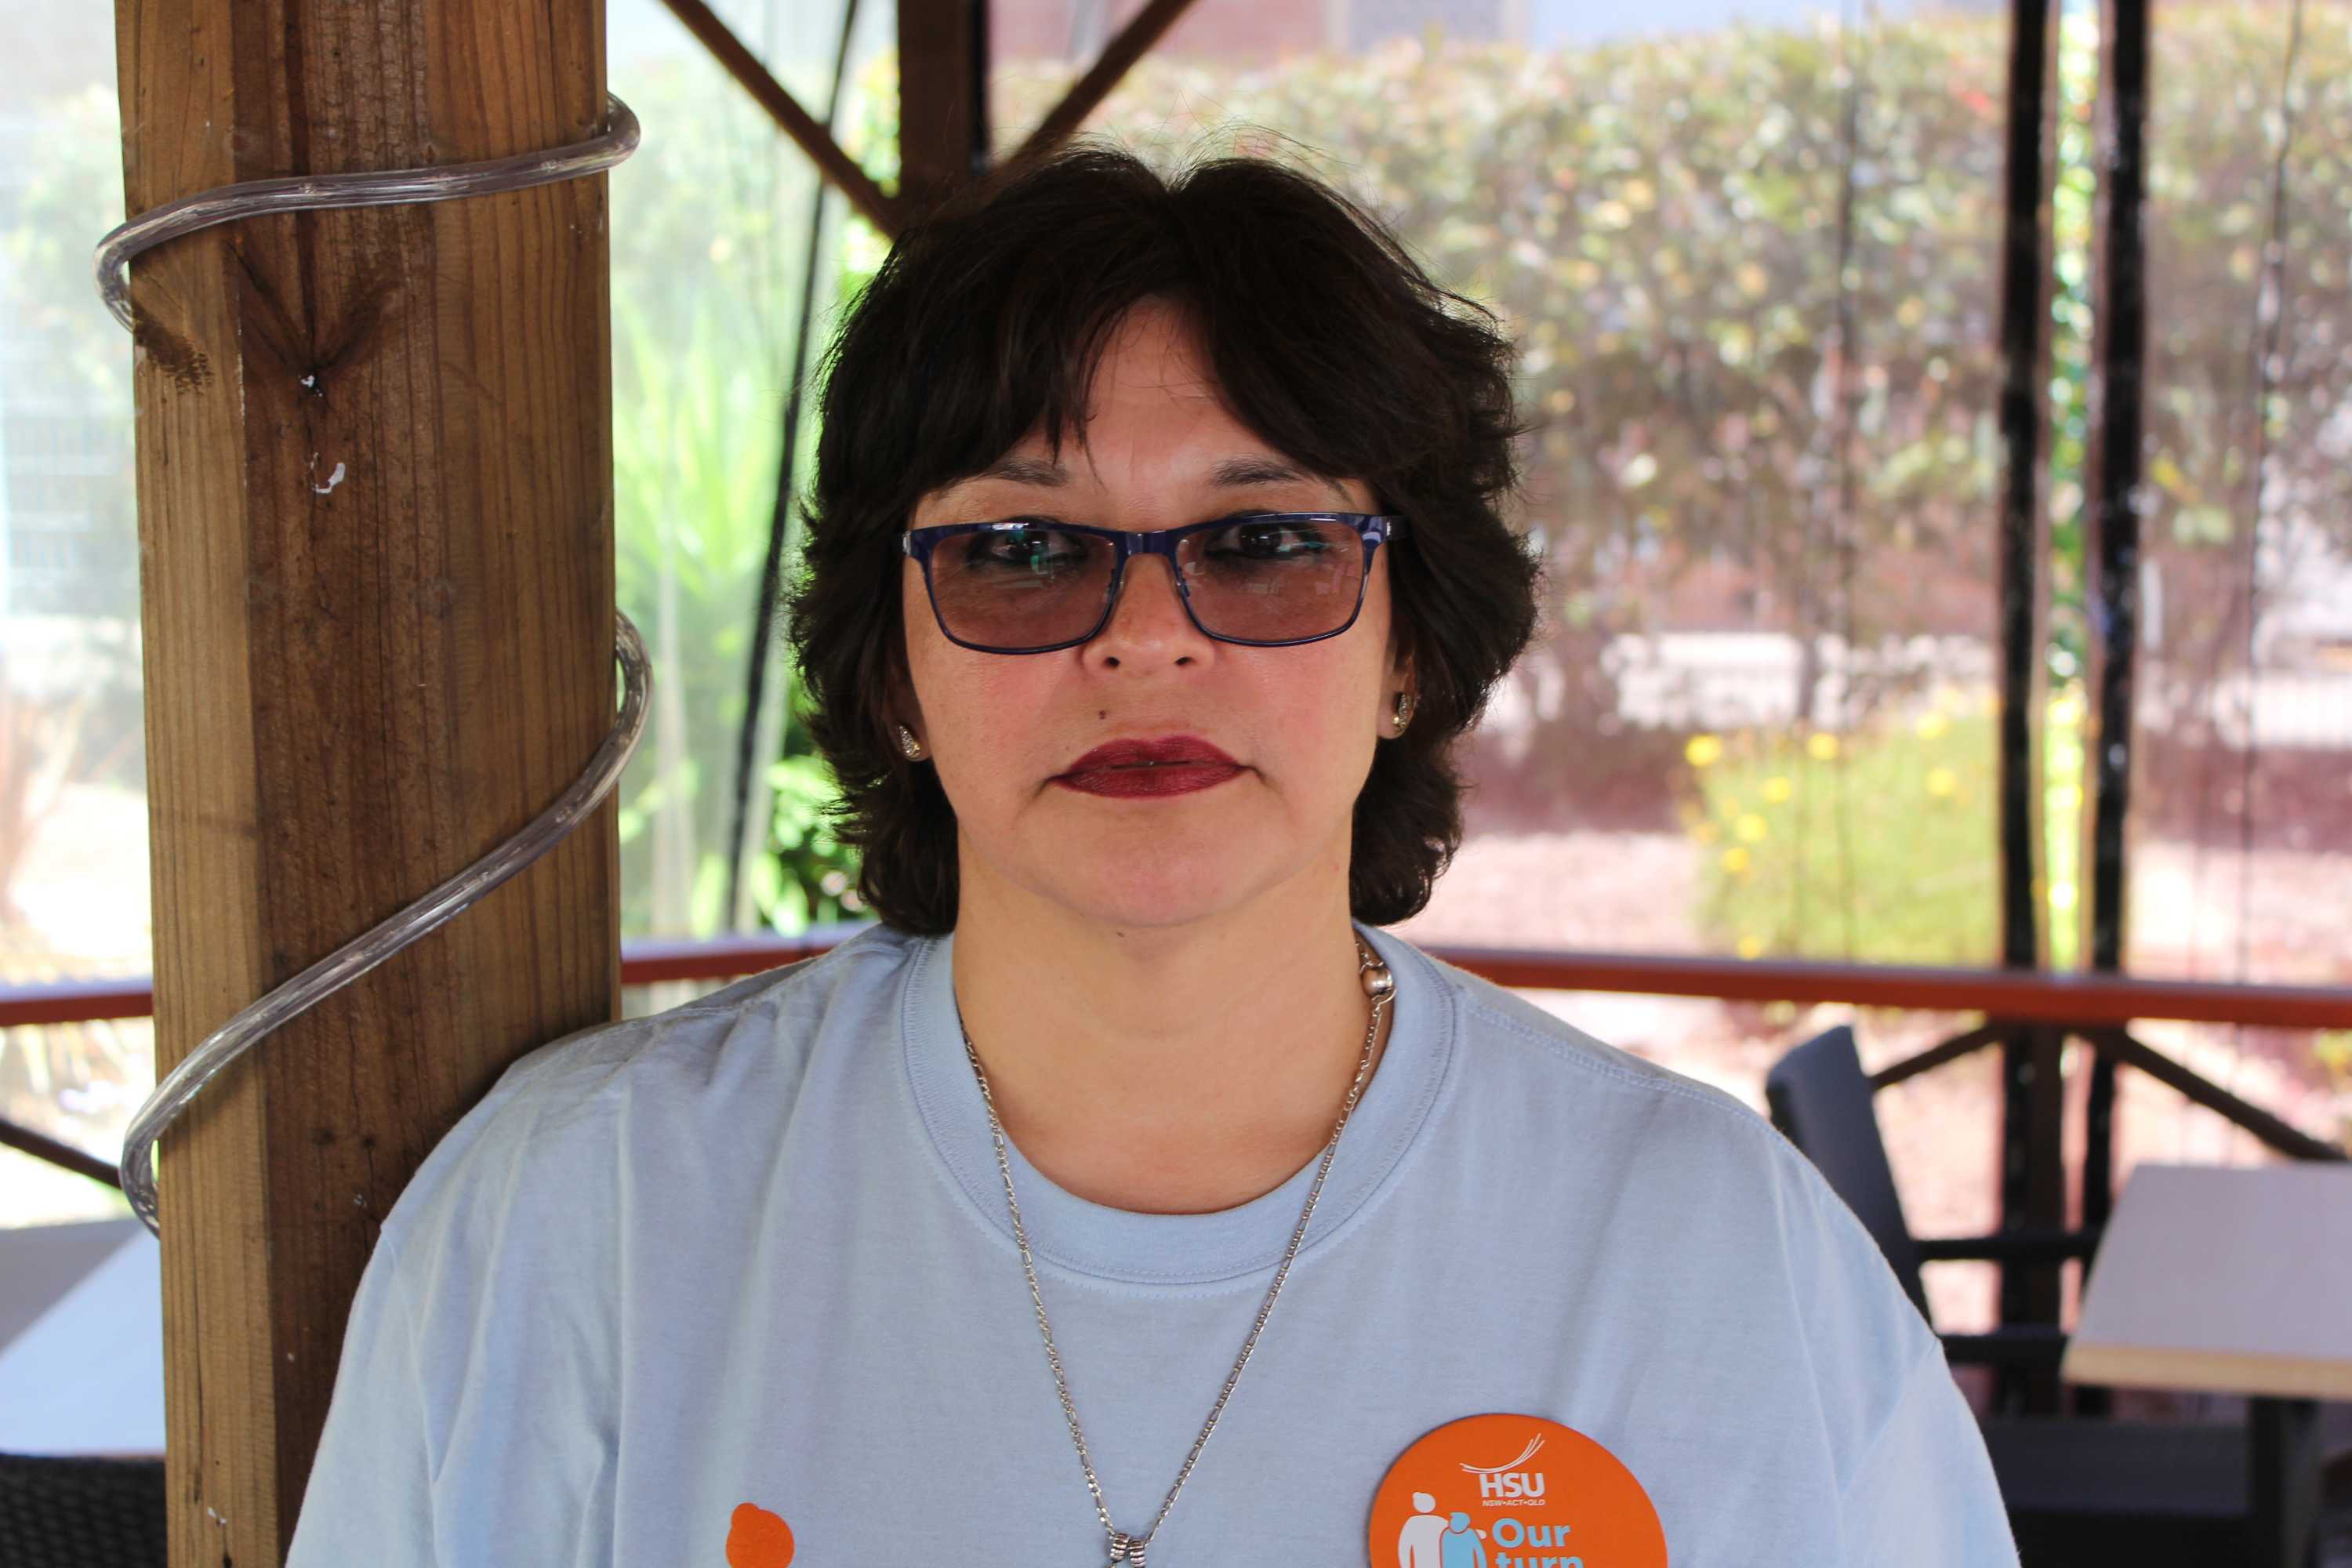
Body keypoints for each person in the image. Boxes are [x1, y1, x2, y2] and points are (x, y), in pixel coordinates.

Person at [284, 138, 2020, 1566]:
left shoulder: (1712, 1256)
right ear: (892, 671)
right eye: (1025, 552)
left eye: (1262, 543)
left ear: (1408, 645)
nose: (1144, 644)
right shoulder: (583, 1223)